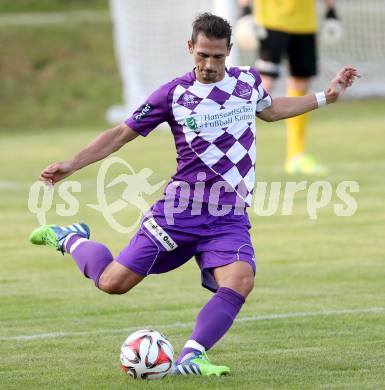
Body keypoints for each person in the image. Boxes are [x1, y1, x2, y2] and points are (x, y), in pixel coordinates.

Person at [29, 13, 359, 376]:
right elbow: (119, 135)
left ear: (229, 52)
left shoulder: (247, 83)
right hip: (179, 212)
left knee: (240, 279)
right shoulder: (172, 94)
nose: (209, 64)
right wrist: (71, 165)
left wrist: (325, 97)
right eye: (202, 55)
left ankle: (192, 356)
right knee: (113, 283)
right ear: (190, 49)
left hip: (228, 215)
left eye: (217, 57)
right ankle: (71, 238)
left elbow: (271, 110)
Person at [240, 0, 341, 175]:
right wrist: (245, 9)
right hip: (271, 21)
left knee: (300, 83)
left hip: (305, 24)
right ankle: (231, 145)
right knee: (264, 84)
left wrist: (331, 10)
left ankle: (296, 155)